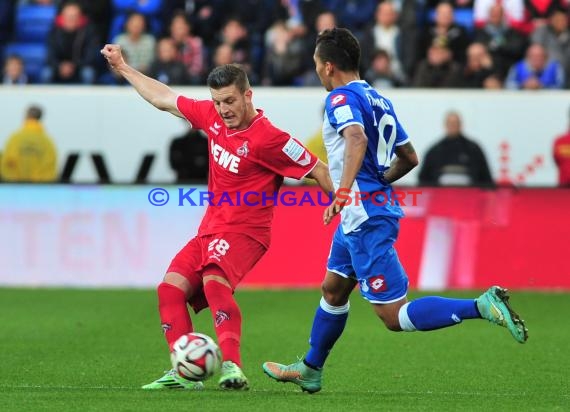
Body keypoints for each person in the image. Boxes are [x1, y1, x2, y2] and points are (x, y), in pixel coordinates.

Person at [262, 28, 528, 394]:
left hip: (364, 215)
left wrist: (345, 191)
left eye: (316, 66)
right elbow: (410, 157)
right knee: (334, 289)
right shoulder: (377, 99)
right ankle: (310, 368)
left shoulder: (339, 98)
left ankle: (480, 305)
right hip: (363, 211)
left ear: (327, 67)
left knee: (394, 316)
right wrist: (373, 184)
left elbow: (356, 138)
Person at [100, 44, 334, 390]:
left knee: (214, 283)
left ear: (247, 95)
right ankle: (183, 373)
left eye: (230, 101)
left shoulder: (270, 138)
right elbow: (164, 98)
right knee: (169, 290)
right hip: (210, 229)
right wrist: (123, 67)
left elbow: (319, 169)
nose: (223, 110)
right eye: (218, 102)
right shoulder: (211, 117)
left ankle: (232, 367)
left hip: (247, 232)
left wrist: (345, 206)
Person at [418, 111, 495, 186]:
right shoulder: (434, 151)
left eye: (455, 123)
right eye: (450, 124)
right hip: (441, 197)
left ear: (461, 125)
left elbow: (486, 178)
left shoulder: (474, 149)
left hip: (470, 196)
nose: (453, 126)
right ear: (445, 125)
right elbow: (423, 179)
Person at [1, 105, 58, 182]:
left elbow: (8, 163)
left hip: (15, 189)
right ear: (40, 117)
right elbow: (50, 168)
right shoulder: (47, 142)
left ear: (26, 116)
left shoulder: (15, 138)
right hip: (39, 190)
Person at [553, 108, 570, 187]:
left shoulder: (559, 141)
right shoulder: (560, 141)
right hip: (563, 189)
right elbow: (558, 161)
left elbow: (557, 161)